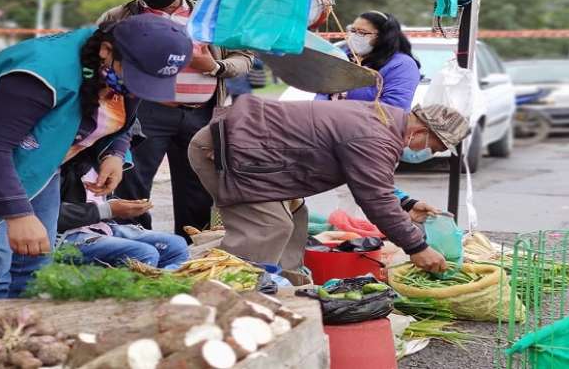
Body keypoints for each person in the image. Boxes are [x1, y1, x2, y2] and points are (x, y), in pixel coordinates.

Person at [0, 15, 194, 299]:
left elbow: (121, 116)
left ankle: (18, 336)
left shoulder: (116, 68)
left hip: (39, 164)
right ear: (106, 50)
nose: (137, 90)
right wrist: (17, 213)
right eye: (136, 78)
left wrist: (115, 153)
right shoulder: (42, 71)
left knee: (34, 264)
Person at [188, 96, 470, 273]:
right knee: (269, 227)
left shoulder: (385, 120)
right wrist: (417, 247)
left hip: (257, 155)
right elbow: (375, 198)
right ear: (420, 131)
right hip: (224, 151)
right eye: (432, 147)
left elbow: (370, 181)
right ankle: (233, 296)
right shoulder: (376, 136)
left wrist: (406, 203)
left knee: (296, 217)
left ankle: (285, 287)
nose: (428, 154)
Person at [102, 0, 254, 239]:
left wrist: (215, 66)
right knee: (131, 180)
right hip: (143, 110)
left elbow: (243, 57)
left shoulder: (211, 17)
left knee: (197, 187)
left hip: (200, 110)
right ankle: (134, 245)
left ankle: (191, 249)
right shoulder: (120, 16)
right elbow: (96, 56)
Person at [56, 160, 189, 268]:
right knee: (144, 254)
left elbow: (94, 199)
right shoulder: (55, 162)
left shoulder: (97, 158)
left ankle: (163, 284)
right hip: (63, 236)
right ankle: (142, 292)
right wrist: (108, 210)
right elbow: (48, 215)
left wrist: (119, 206)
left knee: (176, 245)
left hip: (100, 227)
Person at [316, 11, 421, 111]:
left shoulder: (401, 65)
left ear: (383, 37)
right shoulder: (343, 56)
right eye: (353, 31)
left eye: (362, 32)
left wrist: (342, 115)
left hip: (374, 127)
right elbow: (323, 93)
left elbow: (393, 108)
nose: (355, 36)